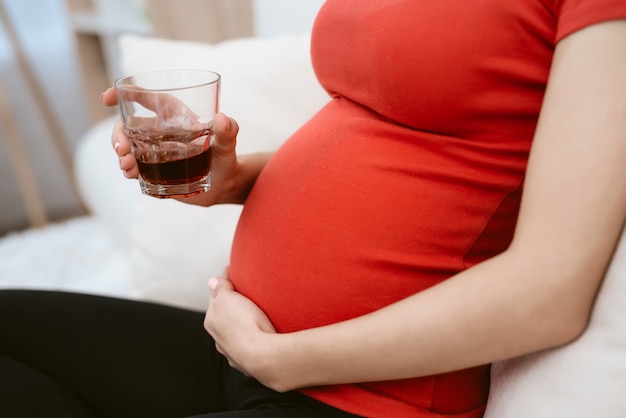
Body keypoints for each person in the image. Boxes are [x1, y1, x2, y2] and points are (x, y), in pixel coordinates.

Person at [2, 1, 626, 417]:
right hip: (246, 354)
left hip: (362, 400)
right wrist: (231, 176)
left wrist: (281, 360)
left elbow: (550, 291)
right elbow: (391, 137)